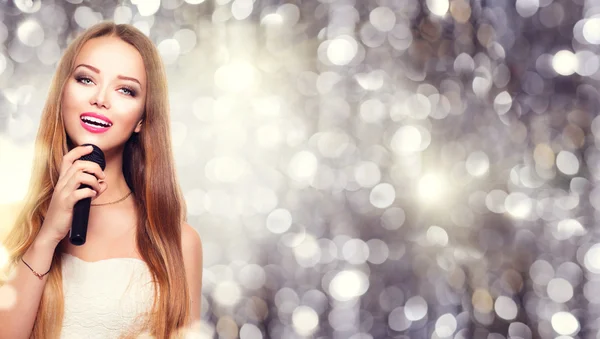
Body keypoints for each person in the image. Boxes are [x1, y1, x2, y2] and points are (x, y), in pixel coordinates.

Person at [0, 21, 203, 338]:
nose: (100, 98)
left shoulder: (177, 242)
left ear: (141, 119)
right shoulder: (7, 224)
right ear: (62, 92)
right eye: (85, 79)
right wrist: (47, 236)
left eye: (125, 89)